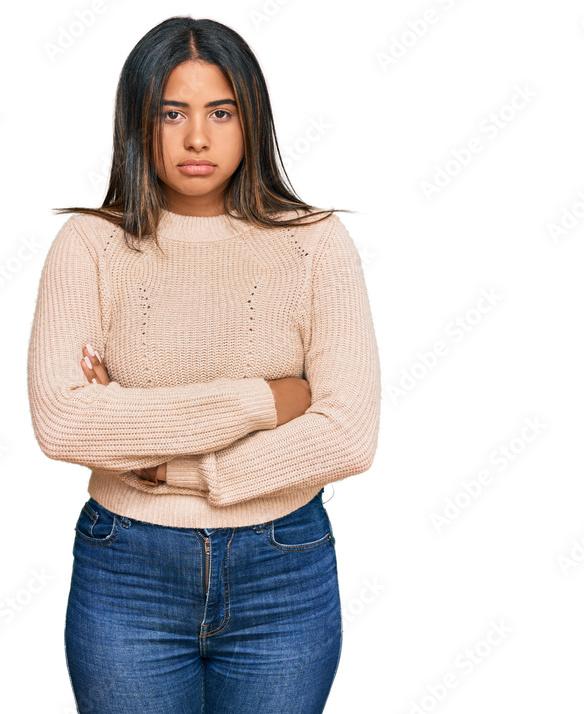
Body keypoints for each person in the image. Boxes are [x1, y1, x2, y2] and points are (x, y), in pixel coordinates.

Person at [27, 15, 381, 713]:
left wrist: (167, 462)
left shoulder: (317, 243)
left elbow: (347, 435)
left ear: (252, 120)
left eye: (221, 112)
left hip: (283, 571)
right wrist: (269, 400)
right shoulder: (88, 245)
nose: (197, 137)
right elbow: (65, 423)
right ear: (138, 122)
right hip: (128, 568)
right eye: (172, 113)